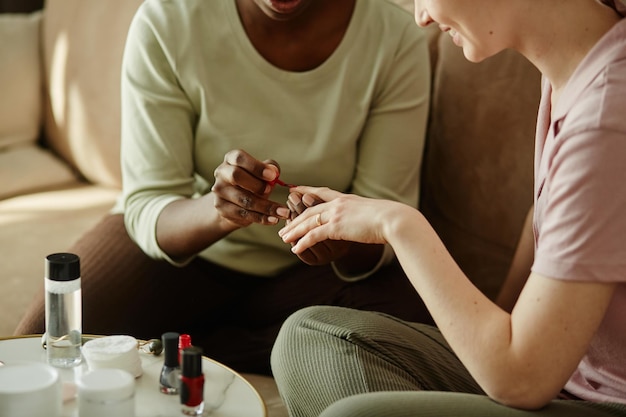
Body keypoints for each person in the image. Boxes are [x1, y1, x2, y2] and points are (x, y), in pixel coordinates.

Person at [14, 0, 432, 374]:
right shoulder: (168, 19)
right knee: (42, 343)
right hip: (183, 253)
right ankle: (225, 343)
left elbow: (387, 220)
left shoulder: (394, 39)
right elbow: (148, 202)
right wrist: (218, 211)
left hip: (311, 276)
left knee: (424, 328)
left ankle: (202, 342)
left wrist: (342, 239)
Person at [271, 0, 626, 415]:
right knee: (307, 338)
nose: (421, 16)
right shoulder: (575, 68)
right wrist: (502, 326)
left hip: (600, 400)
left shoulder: (605, 118)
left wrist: (398, 224)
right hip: (558, 377)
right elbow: (550, 218)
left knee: (352, 413)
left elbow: (522, 379)